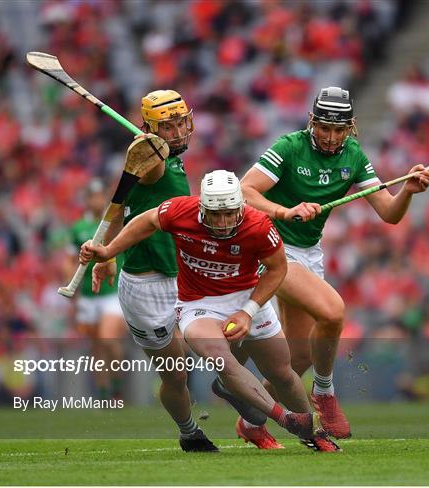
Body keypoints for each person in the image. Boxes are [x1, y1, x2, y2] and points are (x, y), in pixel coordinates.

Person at [80, 170, 341, 452]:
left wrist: (248, 311)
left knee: (282, 372)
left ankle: (312, 432)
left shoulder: (258, 225)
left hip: (246, 297)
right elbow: (148, 220)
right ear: (202, 207)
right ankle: (286, 419)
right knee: (220, 358)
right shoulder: (182, 211)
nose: (223, 222)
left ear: (240, 207)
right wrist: (109, 251)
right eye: (215, 214)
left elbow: (278, 269)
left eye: (229, 213)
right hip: (198, 303)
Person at [237, 86, 429, 442]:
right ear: (311, 122)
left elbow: (389, 214)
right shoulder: (289, 147)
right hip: (273, 250)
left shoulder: (354, 155)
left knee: (297, 359)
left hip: (310, 253)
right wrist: (285, 211)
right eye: (323, 128)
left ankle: (251, 419)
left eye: (338, 130)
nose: (330, 137)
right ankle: (324, 393)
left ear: (350, 128)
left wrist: (407, 190)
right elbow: (244, 190)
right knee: (332, 312)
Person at [90, 90, 217, 452]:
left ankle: (228, 389)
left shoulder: (168, 157)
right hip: (148, 289)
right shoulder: (152, 160)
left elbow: (122, 209)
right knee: (175, 375)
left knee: (230, 336)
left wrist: (108, 255)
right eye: (168, 127)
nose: (177, 133)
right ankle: (189, 431)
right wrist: (109, 254)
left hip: (182, 276)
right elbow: (138, 182)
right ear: (149, 128)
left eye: (181, 124)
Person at [64, 178, 127, 400]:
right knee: (96, 346)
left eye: (100, 196)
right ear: (87, 200)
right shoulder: (78, 227)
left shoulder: (115, 222)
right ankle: (104, 393)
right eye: (93, 196)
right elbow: (71, 261)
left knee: (108, 338)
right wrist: (73, 292)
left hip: (111, 291)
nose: (97, 200)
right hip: (88, 296)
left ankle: (117, 385)